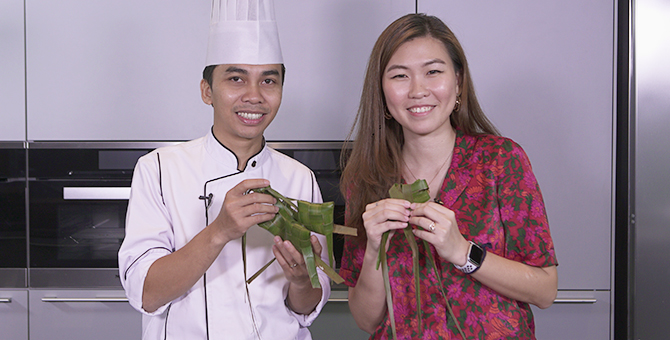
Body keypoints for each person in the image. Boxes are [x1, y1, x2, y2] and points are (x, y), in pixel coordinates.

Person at [118, 1, 330, 339]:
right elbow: (147, 293)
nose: (254, 96)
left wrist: (302, 280)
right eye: (236, 78)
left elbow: (305, 308)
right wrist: (219, 230)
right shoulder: (158, 169)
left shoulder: (300, 178)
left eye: (269, 81)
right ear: (207, 91)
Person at [338, 13, 558, 339]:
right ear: (382, 93)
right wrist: (374, 249)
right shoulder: (367, 180)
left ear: (458, 82)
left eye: (433, 72)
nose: (417, 90)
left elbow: (545, 290)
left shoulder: (501, 161)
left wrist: (463, 252)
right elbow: (366, 320)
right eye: (400, 76)